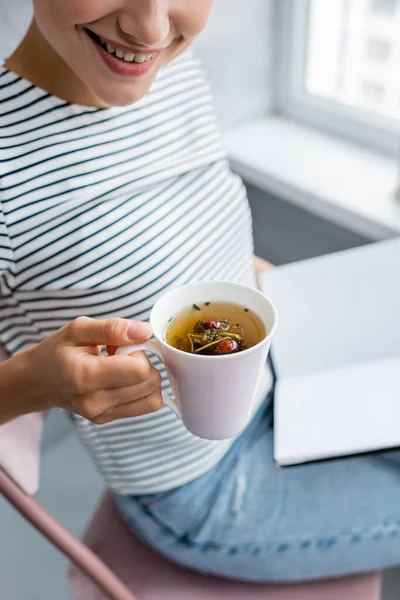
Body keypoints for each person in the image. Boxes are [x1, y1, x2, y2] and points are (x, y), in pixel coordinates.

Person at [1, 0, 400, 582]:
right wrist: (32, 383)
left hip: (293, 382)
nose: (151, 29)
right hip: (204, 488)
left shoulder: (170, 67)